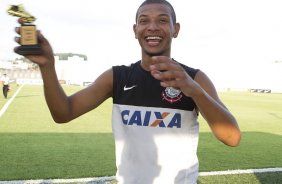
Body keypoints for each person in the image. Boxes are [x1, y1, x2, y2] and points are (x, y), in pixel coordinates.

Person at [14, 0, 241, 183]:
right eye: (144, 21)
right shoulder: (117, 77)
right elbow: (63, 113)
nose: (152, 27)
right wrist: (47, 65)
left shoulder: (195, 78)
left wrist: (194, 91)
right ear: (135, 30)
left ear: (175, 29)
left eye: (162, 20)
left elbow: (232, 138)